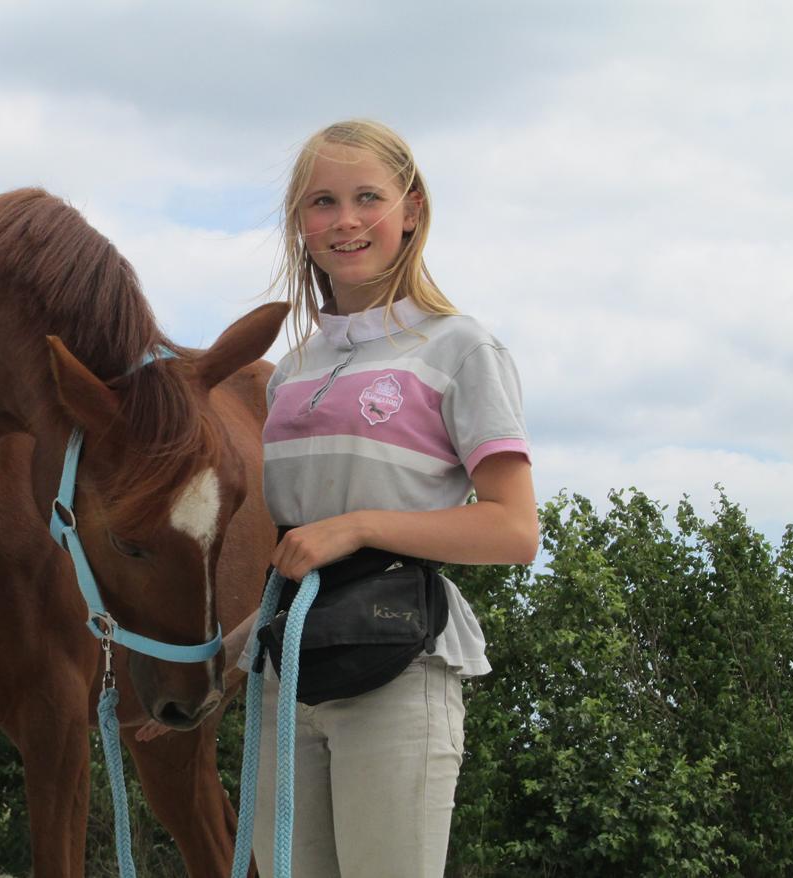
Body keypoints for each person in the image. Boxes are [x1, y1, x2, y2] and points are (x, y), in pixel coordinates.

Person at [138, 119, 538, 877]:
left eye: (367, 198)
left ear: (411, 209)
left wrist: (356, 526)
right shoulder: (290, 374)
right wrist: (217, 667)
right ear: (301, 222)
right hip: (284, 679)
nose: (345, 220)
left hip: (399, 667)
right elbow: (303, 562)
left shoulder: (459, 347)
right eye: (323, 201)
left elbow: (515, 530)